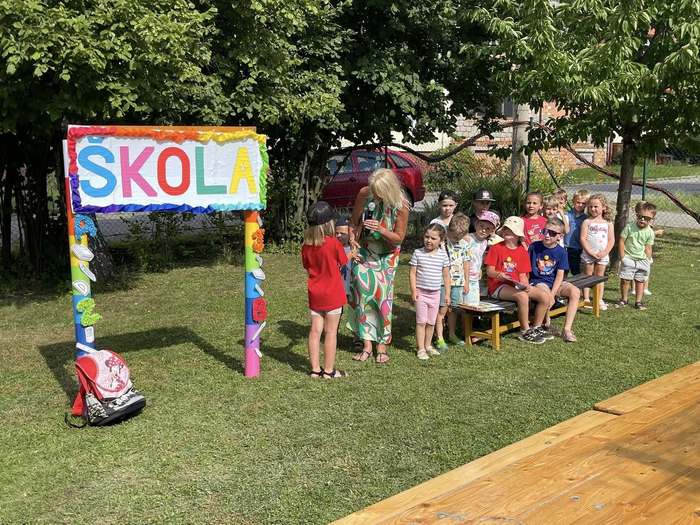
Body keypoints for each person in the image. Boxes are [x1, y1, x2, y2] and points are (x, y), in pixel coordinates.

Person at [348, 168, 410, 364]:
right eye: (373, 190)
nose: (375, 195)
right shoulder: (364, 194)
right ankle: (367, 344)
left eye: (379, 192)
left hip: (387, 255)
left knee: (383, 298)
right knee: (363, 296)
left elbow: (399, 238)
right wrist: (352, 240)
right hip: (365, 251)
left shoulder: (401, 205)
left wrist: (381, 230)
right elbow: (353, 222)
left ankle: (382, 344)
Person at [484, 216, 551, 344]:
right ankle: (525, 331)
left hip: (516, 285)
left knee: (544, 296)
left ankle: (536, 327)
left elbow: (522, 275)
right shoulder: (496, 248)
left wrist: (525, 285)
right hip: (498, 286)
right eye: (505, 229)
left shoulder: (522, 251)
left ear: (518, 234)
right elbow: (489, 272)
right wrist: (500, 275)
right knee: (522, 296)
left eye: (510, 230)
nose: (506, 231)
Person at [301, 201, 349, 379]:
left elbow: (307, 266)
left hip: (315, 294)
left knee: (315, 332)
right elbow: (343, 261)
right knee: (331, 333)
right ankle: (329, 371)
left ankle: (315, 370)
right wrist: (352, 252)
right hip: (333, 294)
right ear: (329, 224)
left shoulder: (306, 245)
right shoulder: (334, 243)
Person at [529, 217, 581, 342]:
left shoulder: (561, 252)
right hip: (538, 281)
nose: (547, 235)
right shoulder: (534, 247)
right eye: (545, 231)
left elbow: (559, 275)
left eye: (552, 233)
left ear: (560, 236)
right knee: (544, 290)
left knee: (575, 291)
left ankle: (567, 329)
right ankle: (545, 322)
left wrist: (553, 294)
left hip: (554, 282)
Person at [409, 224, 451, 360]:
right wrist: (414, 290)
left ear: (441, 240)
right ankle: (421, 349)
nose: (429, 240)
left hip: (436, 294)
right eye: (426, 237)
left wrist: (447, 294)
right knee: (421, 321)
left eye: (433, 238)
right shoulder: (418, 253)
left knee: (431, 322)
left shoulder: (443, 256)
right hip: (421, 293)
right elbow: (412, 273)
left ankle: (428, 345)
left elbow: (446, 276)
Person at [434, 213, 471, 351]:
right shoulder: (442, 243)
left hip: (458, 282)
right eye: (454, 236)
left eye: (459, 237)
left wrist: (466, 282)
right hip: (443, 282)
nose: (456, 239)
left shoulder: (464, 244)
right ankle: (439, 337)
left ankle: (451, 334)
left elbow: (466, 263)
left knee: (454, 309)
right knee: (442, 309)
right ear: (449, 230)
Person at [616, 201, 657, 310]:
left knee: (640, 281)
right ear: (637, 215)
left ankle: (638, 302)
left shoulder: (650, 232)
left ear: (652, 219)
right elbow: (621, 241)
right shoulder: (629, 227)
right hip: (628, 258)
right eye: (640, 216)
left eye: (646, 218)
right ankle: (624, 299)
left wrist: (648, 260)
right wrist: (622, 257)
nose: (642, 219)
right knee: (625, 280)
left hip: (642, 260)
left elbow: (648, 247)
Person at [580, 193, 615, 309]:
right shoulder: (587, 222)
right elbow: (583, 238)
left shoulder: (608, 223)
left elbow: (611, 240)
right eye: (590, 207)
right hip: (588, 254)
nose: (593, 209)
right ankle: (586, 299)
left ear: (604, 207)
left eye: (596, 206)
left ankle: (599, 299)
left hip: (602, 254)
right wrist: (590, 252)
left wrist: (604, 252)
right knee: (587, 276)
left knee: (599, 277)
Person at [464, 210, 500, 306]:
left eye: (488, 229)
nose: (483, 230)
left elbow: (480, 257)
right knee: (464, 304)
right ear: (476, 225)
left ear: (492, 231)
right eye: (481, 226)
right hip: (464, 277)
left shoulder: (485, 243)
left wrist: (479, 269)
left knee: (474, 303)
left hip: (475, 278)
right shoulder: (468, 238)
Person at [564, 189, 589, 275]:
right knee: (563, 270)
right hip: (566, 246)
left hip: (579, 248)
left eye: (583, 203)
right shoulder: (567, 215)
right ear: (573, 201)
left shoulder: (586, 218)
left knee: (576, 271)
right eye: (578, 202)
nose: (580, 205)